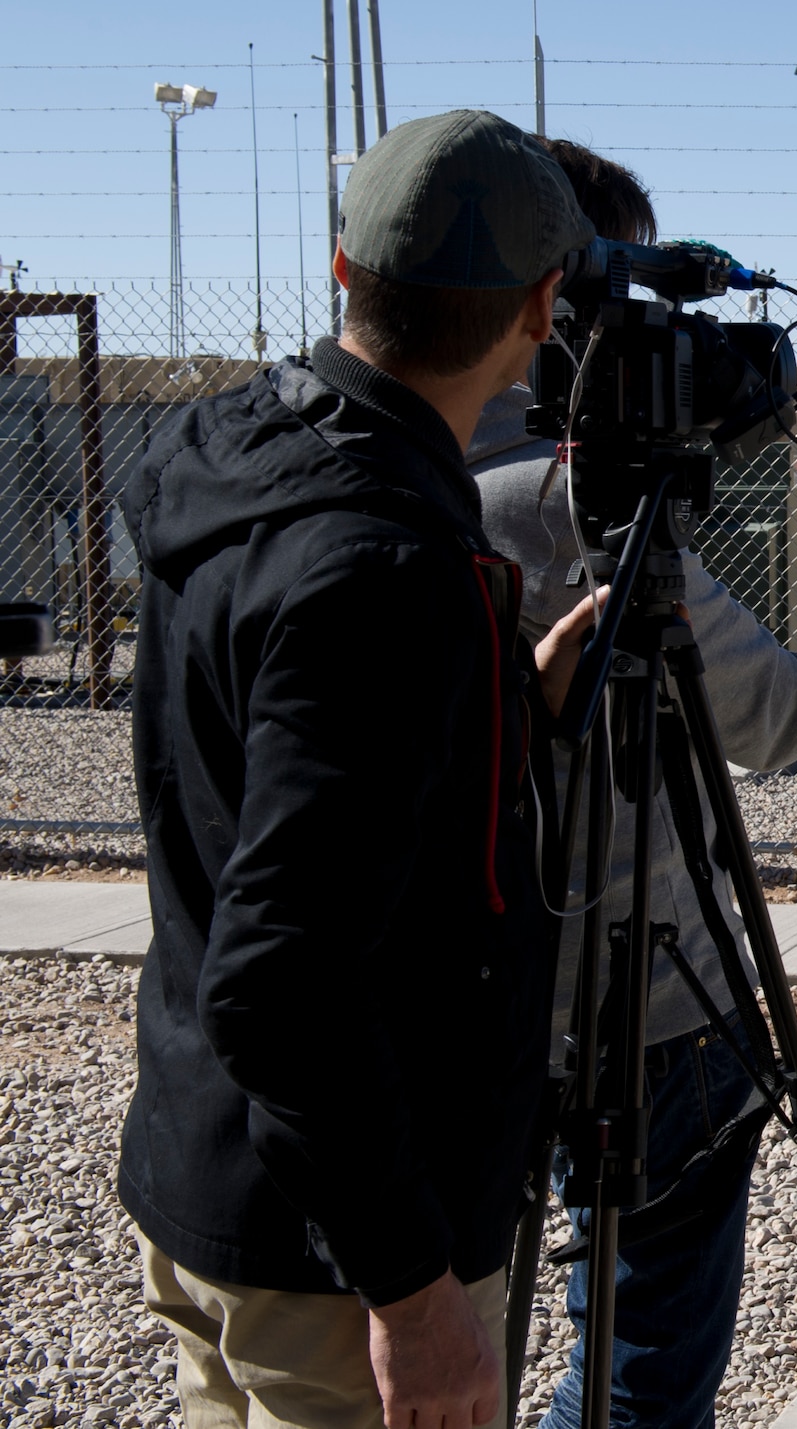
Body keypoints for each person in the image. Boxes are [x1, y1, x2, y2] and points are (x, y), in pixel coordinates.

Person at [468, 138, 797, 1428]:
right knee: (643, 1353)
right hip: (652, 1003)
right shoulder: (572, 504)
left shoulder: (397, 481)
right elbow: (769, 713)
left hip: (468, 1003)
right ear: (554, 302)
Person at [115, 110, 602, 1429]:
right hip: (331, 1262)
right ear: (543, 307)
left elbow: (255, 781)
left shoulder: (244, 467)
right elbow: (286, 980)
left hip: (213, 1172)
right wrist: (413, 1295)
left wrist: (509, 702)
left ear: (345, 274)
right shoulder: (384, 566)